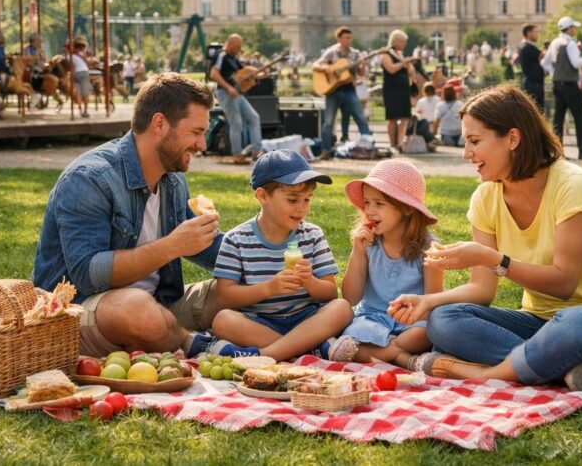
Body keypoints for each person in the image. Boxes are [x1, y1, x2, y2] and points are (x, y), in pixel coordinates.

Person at [390, 85, 582, 390]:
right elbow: (481, 289)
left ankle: (484, 374)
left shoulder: (572, 185)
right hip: (541, 324)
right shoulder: (485, 198)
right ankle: (560, 366)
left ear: (513, 138)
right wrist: (428, 301)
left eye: (475, 141)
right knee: (444, 320)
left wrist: (492, 259)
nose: (466, 154)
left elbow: (564, 284)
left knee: (579, 322)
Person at [31, 73, 224, 357]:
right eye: (195, 132)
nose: (202, 145)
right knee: (137, 311)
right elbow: (87, 274)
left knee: (234, 291)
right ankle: (198, 344)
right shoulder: (89, 178)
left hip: (158, 305)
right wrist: (172, 246)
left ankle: (176, 337)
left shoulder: (171, 176)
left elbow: (207, 246)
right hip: (80, 312)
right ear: (159, 124)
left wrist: (266, 256)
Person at [207, 150, 353, 360]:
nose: (302, 208)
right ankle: (310, 348)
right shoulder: (237, 239)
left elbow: (330, 294)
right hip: (261, 321)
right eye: (293, 200)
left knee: (342, 308)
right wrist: (269, 288)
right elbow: (224, 296)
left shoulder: (312, 235)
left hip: (306, 319)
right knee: (223, 320)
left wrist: (309, 282)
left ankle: (265, 354)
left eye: (307, 199)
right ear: (262, 196)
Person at [331, 160, 444, 365]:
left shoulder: (429, 247)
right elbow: (351, 297)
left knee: (428, 332)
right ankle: (404, 360)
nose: (369, 211)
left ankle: (382, 354)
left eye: (379, 204)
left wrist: (418, 323)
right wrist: (357, 253)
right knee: (352, 334)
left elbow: (432, 304)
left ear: (407, 209)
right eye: (366, 202)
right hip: (372, 318)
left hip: (412, 322)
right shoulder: (368, 243)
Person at [541, 17, 582, 160]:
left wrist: (556, 73)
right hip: (570, 85)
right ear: (569, 28)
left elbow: (545, 63)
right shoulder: (570, 44)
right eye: (573, 27)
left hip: (557, 84)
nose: (574, 30)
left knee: (558, 119)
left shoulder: (554, 43)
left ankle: (557, 153)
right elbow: (577, 63)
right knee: (580, 118)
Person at [312, 26, 373, 158]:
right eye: (346, 38)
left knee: (360, 117)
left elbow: (361, 73)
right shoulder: (332, 52)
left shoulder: (356, 54)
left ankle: (368, 147)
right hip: (333, 91)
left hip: (349, 89)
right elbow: (315, 65)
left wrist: (363, 64)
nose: (349, 40)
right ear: (339, 39)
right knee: (328, 122)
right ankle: (326, 150)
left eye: (350, 38)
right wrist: (328, 69)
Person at [210, 34, 262, 164]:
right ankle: (237, 155)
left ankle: (257, 151)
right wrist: (228, 88)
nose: (239, 49)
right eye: (238, 46)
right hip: (226, 92)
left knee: (254, 118)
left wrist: (257, 74)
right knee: (236, 123)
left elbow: (244, 72)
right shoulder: (221, 55)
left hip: (237, 94)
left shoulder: (233, 58)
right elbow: (214, 74)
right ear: (231, 43)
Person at [381, 30, 414, 151]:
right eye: (403, 42)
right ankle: (392, 143)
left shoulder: (401, 55)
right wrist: (403, 62)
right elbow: (391, 69)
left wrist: (409, 64)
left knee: (405, 117)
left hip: (404, 90)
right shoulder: (386, 55)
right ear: (396, 41)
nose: (404, 44)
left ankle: (400, 142)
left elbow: (411, 72)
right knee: (393, 117)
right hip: (391, 90)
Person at [519, 24, 545, 112]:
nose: (538, 34)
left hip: (533, 84)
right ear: (529, 33)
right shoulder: (527, 47)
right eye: (536, 32)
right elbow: (542, 55)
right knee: (535, 112)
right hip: (533, 86)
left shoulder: (529, 47)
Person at [69, 39, 91, 118]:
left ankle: (80, 110)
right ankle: (85, 110)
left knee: (78, 93)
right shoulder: (82, 54)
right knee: (85, 93)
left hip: (75, 74)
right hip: (83, 73)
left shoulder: (70, 55)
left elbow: (71, 67)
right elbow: (88, 63)